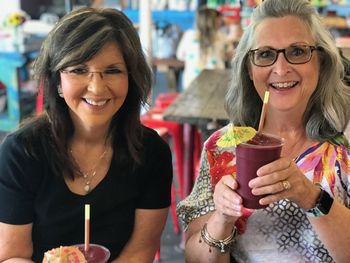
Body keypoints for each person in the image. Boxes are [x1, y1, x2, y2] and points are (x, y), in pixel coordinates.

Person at [177, 0, 350, 262]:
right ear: (249, 68)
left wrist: (310, 195)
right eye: (266, 54)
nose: (280, 69)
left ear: (321, 62)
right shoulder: (222, 147)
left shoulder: (344, 145)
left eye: (298, 51)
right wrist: (222, 218)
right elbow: (195, 257)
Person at [0, 7, 173, 263]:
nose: (96, 87)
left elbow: (141, 251)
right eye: (79, 69)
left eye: (113, 70)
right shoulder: (22, 152)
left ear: (131, 78)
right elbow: (12, 255)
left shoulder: (151, 153)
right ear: (57, 80)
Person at [176, 6, 233, 89]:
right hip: (216, 82)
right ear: (215, 20)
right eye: (220, 18)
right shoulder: (222, 37)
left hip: (191, 83)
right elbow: (230, 56)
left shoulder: (188, 35)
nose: (222, 21)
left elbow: (180, 56)